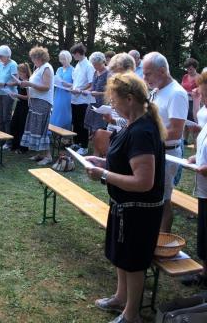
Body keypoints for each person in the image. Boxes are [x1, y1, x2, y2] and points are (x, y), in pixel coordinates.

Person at [86, 72, 165, 323]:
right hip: (124, 207)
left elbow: (144, 182)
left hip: (138, 211)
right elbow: (124, 162)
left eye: (115, 100)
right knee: (122, 255)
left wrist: (104, 174)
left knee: (133, 262)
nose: (113, 105)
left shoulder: (142, 131)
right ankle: (121, 298)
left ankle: (131, 315)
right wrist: (102, 161)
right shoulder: (131, 126)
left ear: (129, 99)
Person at [143, 51, 188, 232]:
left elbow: (176, 131)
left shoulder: (177, 93)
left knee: (163, 199)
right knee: (152, 196)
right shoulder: (157, 90)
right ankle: (151, 236)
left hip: (168, 154)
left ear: (162, 71)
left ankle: (162, 240)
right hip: (155, 151)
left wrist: (147, 137)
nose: (145, 78)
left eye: (148, 74)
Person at [182, 71, 207, 287]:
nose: (199, 92)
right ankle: (205, 273)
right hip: (204, 184)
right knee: (205, 229)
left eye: (203, 89)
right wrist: (196, 156)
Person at [20, 46, 54, 165]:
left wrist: (29, 83)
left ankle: (48, 156)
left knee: (41, 128)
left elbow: (46, 87)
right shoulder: (38, 68)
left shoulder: (47, 68)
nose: (32, 60)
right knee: (35, 127)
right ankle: (40, 153)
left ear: (39, 57)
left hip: (43, 102)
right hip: (35, 101)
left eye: (33, 58)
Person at [69, 42, 95, 156]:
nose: (73, 57)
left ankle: (84, 146)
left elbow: (91, 84)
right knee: (75, 122)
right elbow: (76, 81)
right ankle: (77, 142)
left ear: (79, 53)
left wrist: (79, 90)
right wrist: (72, 87)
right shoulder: (78, 65)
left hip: (83, 100)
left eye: (74, 54)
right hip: (74, 99)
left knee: (82, 123)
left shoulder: (89, 66)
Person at [0, 45, 19, 149]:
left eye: (1, 56)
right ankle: (1, 138)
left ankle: (8, 141)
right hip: (0, 92)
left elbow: (16, 81)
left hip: (9, 94)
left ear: (7, 56)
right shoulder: (0, 64)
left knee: (6, 117)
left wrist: (4, 84)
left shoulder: (13, 64)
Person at [84, 52, 109, 135]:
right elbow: (93, 87)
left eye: (97, 64)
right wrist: (87, 91)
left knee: (100, 130)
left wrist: (99, 93)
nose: (95, 66)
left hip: (103, 105)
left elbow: (111, 92)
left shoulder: (109, 73)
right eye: (93, 64)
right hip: (92, 103)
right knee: (91, 131)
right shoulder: (95, 72)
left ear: (103, 62)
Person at [10, 63, 31, 153]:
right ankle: (14, 145)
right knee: (14, 124)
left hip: (25, 107)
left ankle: (22, 148)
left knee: (22, 126)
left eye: (20, 72)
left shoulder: (27, 82)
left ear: (25, 72)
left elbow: (28, 97)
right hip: (19, 105)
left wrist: (17, 95)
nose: (19, 74)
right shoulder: (20, 80)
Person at [50, 50, 74, 130]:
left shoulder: (73, 70)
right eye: (61, 59)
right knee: (56, 110)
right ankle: (54, 130)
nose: (62, 61)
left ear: (68, 59)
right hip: (58, 93)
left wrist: (67, 84)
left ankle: (65, 131)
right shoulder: (59, 69)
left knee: (65, 112)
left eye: (64, 59)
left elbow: (76, 85)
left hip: (67, 94)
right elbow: (55, 80)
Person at [181, 58, 200, 144]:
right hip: (184, 101)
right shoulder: (185, 76)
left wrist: (192, 92)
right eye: (187, 68)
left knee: (192, 121)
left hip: (194, 102)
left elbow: (201, 90)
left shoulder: (199, 77)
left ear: (195, 67)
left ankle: (195, 139)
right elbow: (181, 87)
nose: (189, 70)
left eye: (191, 69)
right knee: (184, 120)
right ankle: (185, 139)